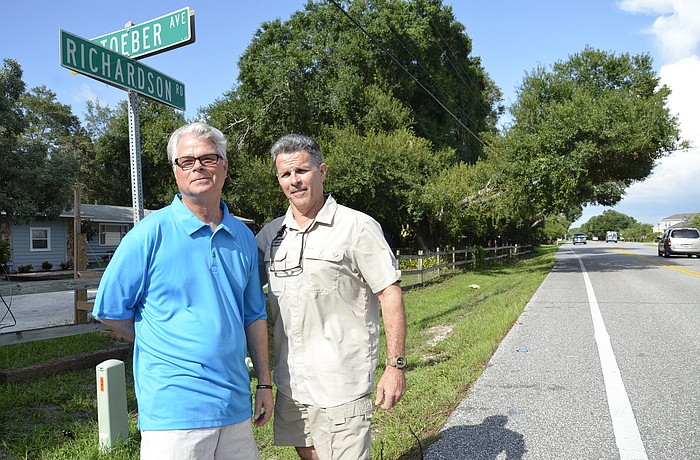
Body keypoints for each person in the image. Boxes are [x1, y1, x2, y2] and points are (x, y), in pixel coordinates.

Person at [92, 122, 273, 459]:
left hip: (235, 403)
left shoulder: (244, 238)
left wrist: (264, 383)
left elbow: (254, 315)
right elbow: (110, 312)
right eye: (186, 161)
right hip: (173, 412)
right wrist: (162, 341)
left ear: (224, 166)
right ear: (175, 172)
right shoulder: (148, 235)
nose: (198, 167)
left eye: (207, 157)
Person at [256, 134, 407, 459]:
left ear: (322, 171)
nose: (294, 181)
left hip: (343, 384)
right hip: (293, 385)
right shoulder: (270, 236)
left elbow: (390, 294)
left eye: (302, 171)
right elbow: (237, 293)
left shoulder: (357, 227)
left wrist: (395, 367)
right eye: (285, 174)